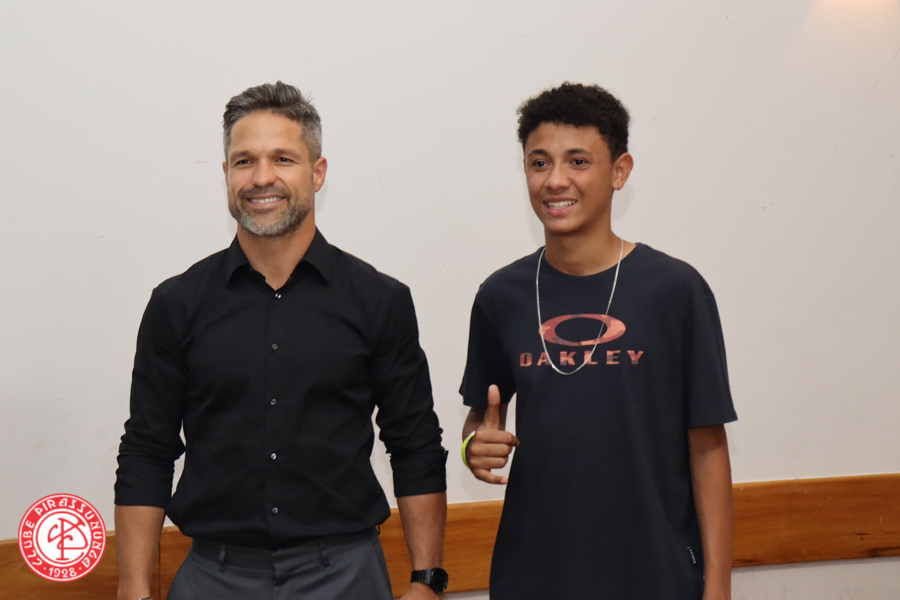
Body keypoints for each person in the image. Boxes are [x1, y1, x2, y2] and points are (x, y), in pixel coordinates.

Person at [115, 81, 449, 600]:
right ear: (226, 173)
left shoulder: (379, 300)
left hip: (347, 576)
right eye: (244, 161)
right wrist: (134, 589)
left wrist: (427, 580)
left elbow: (414, 444)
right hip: (213, 578)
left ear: (317, 172)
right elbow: (147, 450)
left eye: (283, 159)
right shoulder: (176, 304)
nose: (261, 177)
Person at [460, 82, 737, 600]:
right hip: (533, 576)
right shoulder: (501, 295)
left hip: (656, 576)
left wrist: (718, 586)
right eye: (539, 163)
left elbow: (708, 449)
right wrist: (472, 446)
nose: (555, 180)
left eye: (578, 161)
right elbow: (481, 419)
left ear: (619, 171)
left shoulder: (675, 290)